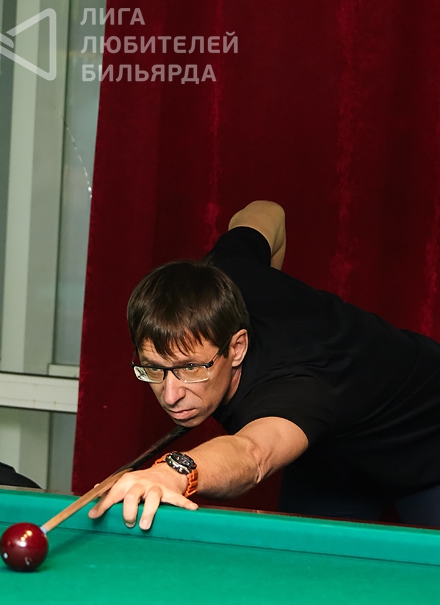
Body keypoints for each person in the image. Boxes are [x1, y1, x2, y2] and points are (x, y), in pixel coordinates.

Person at [89, 200, 440, 529]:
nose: (170, 395)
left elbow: (252, 455)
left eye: (191, 368)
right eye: (154, 368)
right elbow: (266, 211)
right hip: (330, 452)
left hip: (425, 441)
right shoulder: (225, 278)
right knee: (300, 567)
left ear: (237, 347)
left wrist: (173, 473)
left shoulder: (295, 390)